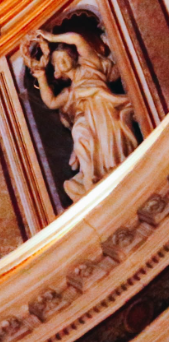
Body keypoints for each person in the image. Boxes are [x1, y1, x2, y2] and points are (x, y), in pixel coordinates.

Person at [23, 11, 143, 202]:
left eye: (64, 57)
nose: (62, 62)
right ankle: (92, 178)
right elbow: (50, 102)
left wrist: (52, 37)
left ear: (73, 57)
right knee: (80, 133)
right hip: (87, 120)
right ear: (57, 70)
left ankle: (117, 166)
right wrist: (41, 78)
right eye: (57, 62)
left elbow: (77, 39)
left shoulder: (89, 64)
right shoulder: (69, 93)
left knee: (111, 141)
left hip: (106, 111)